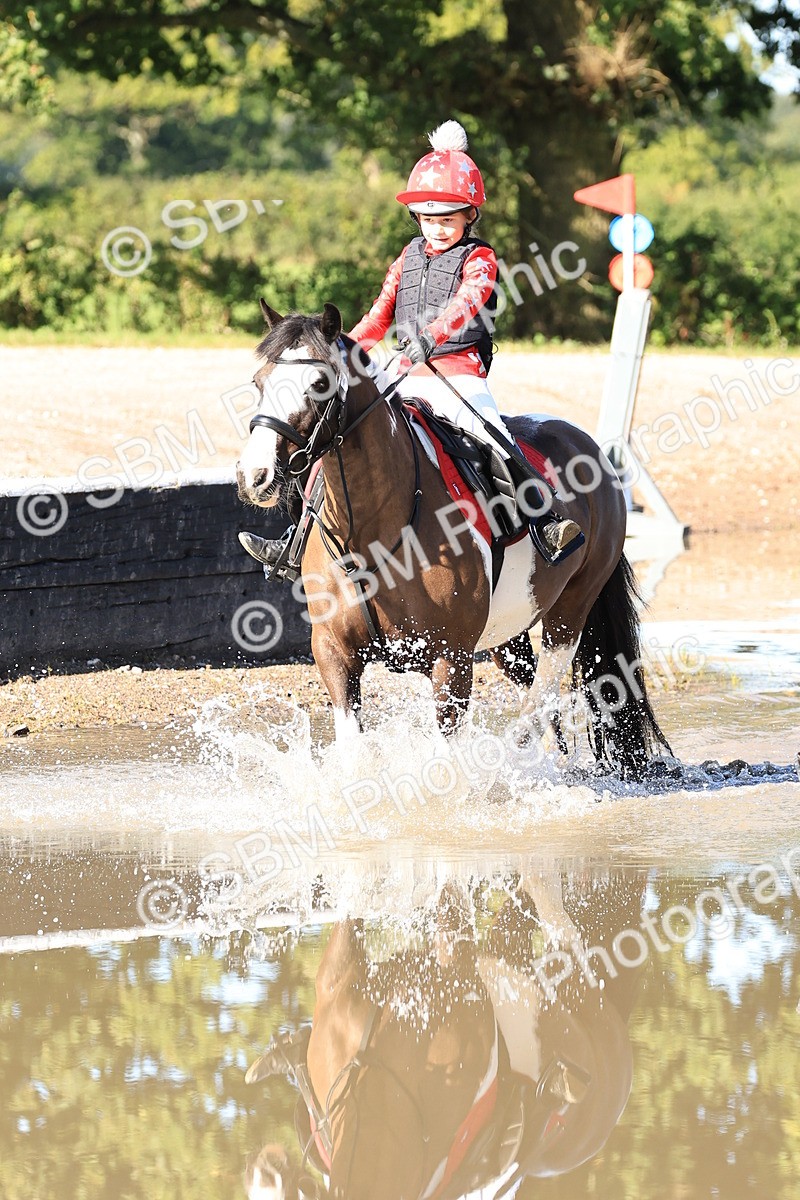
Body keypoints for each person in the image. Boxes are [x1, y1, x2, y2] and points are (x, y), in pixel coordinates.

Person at [239, 119, 583, 572]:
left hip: (460, 375)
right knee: (335, 441)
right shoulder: (407, 257)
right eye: (428, 219)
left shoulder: (480, 259)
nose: (437, 229)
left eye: (447, 219)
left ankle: (545, 522)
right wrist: (337, 349)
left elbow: (466, 304)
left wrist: (428, 338)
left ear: (469, 216)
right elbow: (379, 314)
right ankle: (294, 541)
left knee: (494, 439)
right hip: (405, 373)